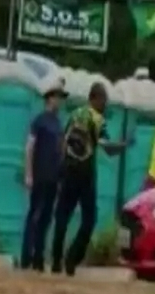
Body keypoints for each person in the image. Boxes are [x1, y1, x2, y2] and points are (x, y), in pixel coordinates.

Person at [52, 82, 129, 276]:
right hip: (85, 174)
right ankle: (72, 258)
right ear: (95, 98)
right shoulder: (97, 119)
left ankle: (55, 261)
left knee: (62, 216)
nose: (105, 104)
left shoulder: (75, 113)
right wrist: (123, 145)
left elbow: (63, 139)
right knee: (89, 219)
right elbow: (107, 148)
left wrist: (61, 165)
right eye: (104, 100)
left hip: (68, 170)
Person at [20, 78, 67, 272]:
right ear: (49, 99)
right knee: (34, 215)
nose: (60, 102)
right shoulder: (39, 121)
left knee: (46, 218)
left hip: (53, 177)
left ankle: (38, 257)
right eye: (58, 97)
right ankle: (26, 256)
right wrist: (29, 174)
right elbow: (29, 148)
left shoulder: (58, 123)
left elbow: (61, 149)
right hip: (39, 175)